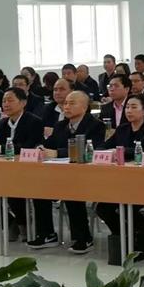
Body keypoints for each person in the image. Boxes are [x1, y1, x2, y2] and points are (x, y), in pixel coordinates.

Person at [0, 88, 49, 244]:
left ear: (23, 103)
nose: (6, 104)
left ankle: (23, 224)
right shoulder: (3, 123)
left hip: (28, 171)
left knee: (14, 190)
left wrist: (0, 148)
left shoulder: (34, 121)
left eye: (10, 100)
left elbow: (29, 146)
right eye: (4, 101)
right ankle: (10, 223)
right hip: (3, 170)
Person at [95, 94, 144, 260]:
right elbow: (104, 146)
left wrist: (121, 151)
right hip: (121, 182)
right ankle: (124, 236)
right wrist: (105, 152)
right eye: (127, 107)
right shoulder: (122, 129)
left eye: (134, 107)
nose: (129, 111)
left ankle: (141, 243)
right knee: (102, 208)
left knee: (129, 206)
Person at [42, 90, 106, 254]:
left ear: (84, 107)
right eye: (65, 103)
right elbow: (49, 146)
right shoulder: (60, 125)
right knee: (38, 188)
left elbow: (91, 150)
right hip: (60, 173)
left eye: (72, 103)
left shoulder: (95, 125)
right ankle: (47, 234)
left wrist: (57, 153)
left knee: (71, 190)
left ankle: (83, 238)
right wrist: (41, 149)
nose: (66, 107)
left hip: (87, 175)